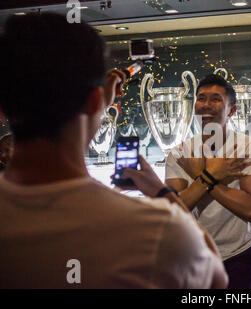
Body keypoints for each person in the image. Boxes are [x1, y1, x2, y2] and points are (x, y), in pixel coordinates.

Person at [0, 13, 227, 289]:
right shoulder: (155, 231)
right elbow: (217, 280)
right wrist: (162, 193)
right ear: (96, 100)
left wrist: (95, 103)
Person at [165, 74, 251, 288]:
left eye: (215, 99)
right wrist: (211, 175)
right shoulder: (179, 153)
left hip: (239, 256)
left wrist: (200, 176)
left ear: (232, 110)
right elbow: (174, 213)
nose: (206, 105)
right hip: (192, 255)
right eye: (201, 98)